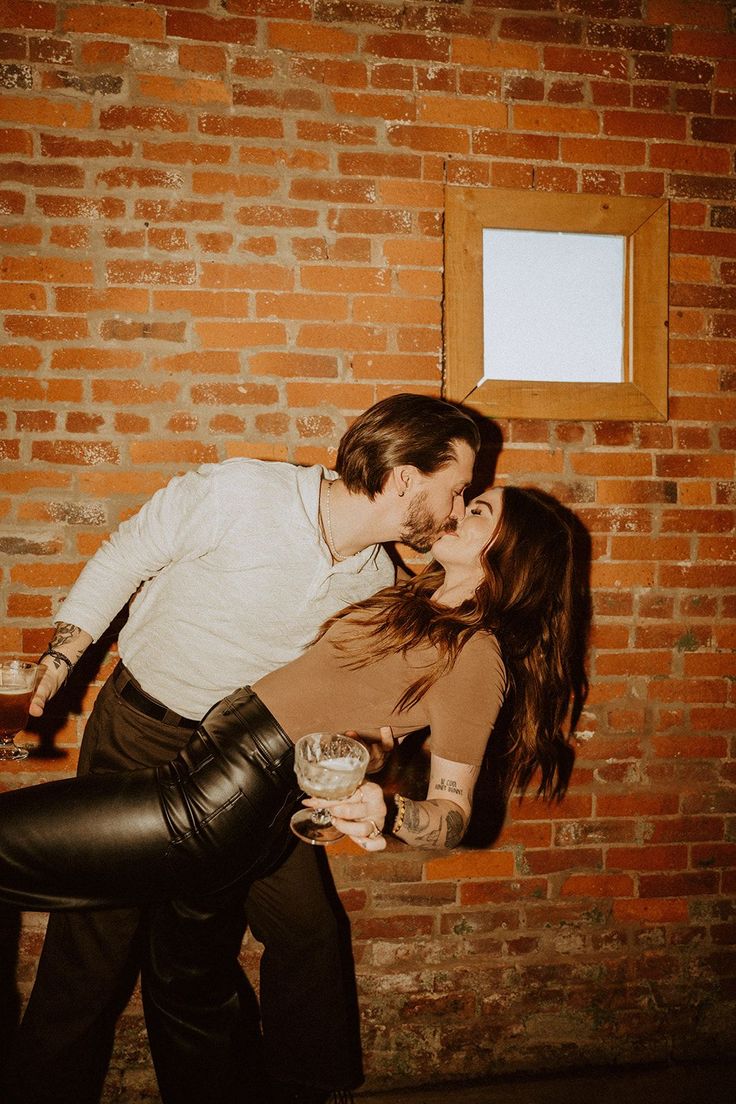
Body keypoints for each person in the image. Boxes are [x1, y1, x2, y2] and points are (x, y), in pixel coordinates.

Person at [0, 483, 586, 1104]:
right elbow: (352, 699)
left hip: (222, 796)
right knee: (185, 979)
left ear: (511, 551)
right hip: (223, 772)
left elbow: (454, 813)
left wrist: (391, 811)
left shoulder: (478, 655)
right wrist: (369, 747)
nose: (457, 510)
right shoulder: (410, 597)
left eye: (478, 512)